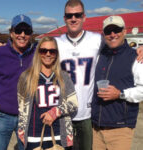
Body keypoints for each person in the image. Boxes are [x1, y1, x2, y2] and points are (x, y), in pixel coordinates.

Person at [55, 0, 103, 150]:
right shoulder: (55, 43)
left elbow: (118, 48)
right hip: (63, 113)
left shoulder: (96, 39)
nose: (73, 18)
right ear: (64, 18)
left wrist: (137, 50)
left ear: (84, 17)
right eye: (69, 15)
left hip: (86, 113)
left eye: (77, 15)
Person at [91, 15, 143, 150]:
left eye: (117, 30)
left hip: (120, 129)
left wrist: (120, 94)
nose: (113, 34)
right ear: (103, 35)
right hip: (96, 128)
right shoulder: (99, 55)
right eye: (108, 31)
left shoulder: (136, 58)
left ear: (124, 31)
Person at [17, 36, 78, 150]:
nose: (48, 54)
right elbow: (21, 107)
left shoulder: (63, 76)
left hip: (60, 134)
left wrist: (55, 112)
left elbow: (73, 103)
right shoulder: (26, 77)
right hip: (33, 135)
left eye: (52, 51)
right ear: (38, 53)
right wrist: (21, 130)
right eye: (44, 50)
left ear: (56, 54)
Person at [0, 14, 36, 150]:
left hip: (28, 117)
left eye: (27, 31)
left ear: (31, 34)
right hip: (2, 116)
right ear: (11, 33)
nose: (22, 35)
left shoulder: (38, 54)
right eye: (18, 30)